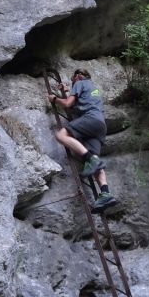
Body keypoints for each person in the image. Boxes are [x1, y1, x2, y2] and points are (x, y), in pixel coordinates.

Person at [49, 68, 119, 213]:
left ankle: (90, 159)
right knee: (95, 159)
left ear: (78, 77)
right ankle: (105, 193)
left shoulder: (80, 83)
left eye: (72, 79)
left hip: (90, 119)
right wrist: (68, 90)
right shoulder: (92, 88)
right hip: (100, 125)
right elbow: (78, 104)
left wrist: (54, 99)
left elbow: (68, 104)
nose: (72, 81)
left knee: (61, 136)